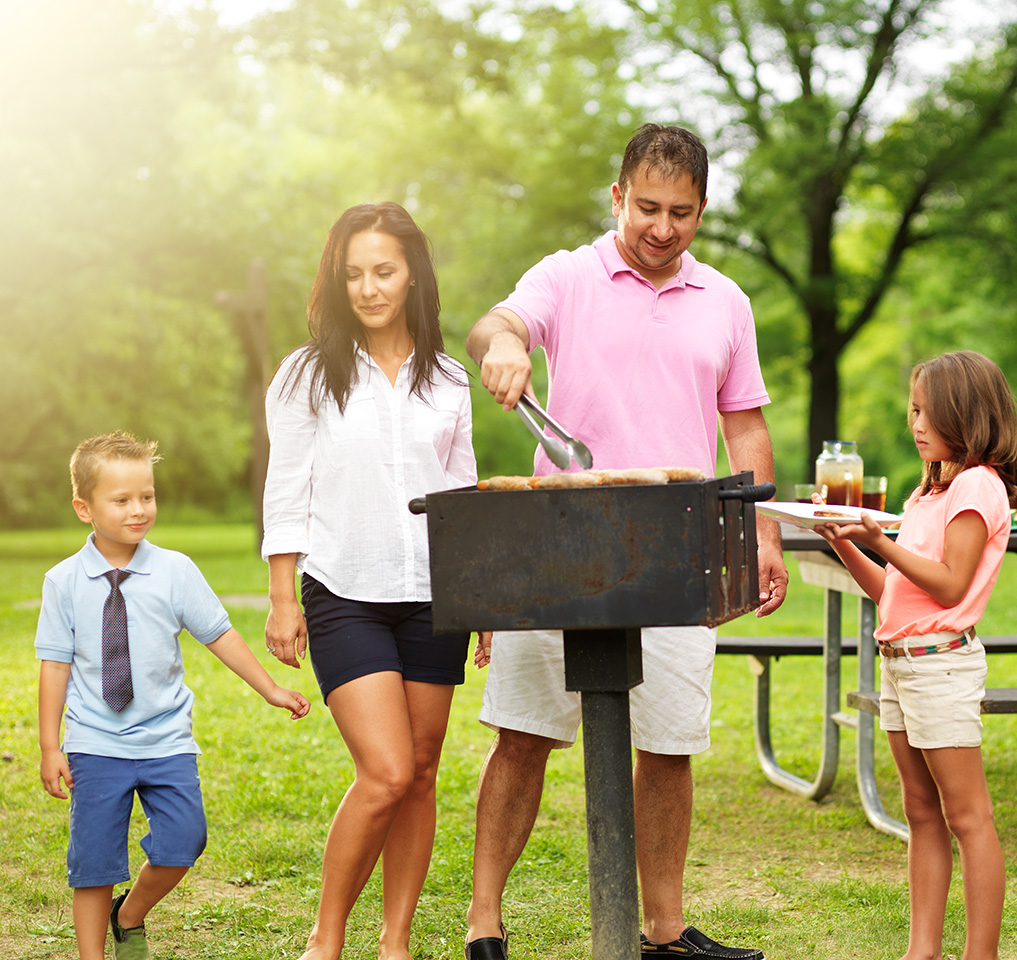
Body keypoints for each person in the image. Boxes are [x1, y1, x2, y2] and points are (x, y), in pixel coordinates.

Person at [463, 123, 788, 960]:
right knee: (525, 732)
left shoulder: (726, 302)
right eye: (647, 207)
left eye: (681, 213)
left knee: (669, 741)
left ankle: (664, 931)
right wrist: (504, 349)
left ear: (702, 211)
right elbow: (496, 325)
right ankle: (484, 920)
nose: (661, 227)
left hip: (680, 543)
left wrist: (762, 530)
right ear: (617, 197)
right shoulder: (567, 276)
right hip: (561, 538)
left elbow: (744, 426)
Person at [261, 201, 484, 960]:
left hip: (432, 595)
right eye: (353, 273)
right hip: (343, 589)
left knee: (421, 774)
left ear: (412, 273)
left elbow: (462, 499)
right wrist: (282, 597)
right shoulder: (305, 374)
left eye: (383, 271)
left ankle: (396, 944)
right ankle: (326, 941)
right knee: (385, 771)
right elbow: (286, 490)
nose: (368, 287)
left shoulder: (449, 378)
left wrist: (478, 593)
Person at [36, 431, 310, 960]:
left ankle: (130, 913)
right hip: (96, 742)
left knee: (184, 842)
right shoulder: (62, 582)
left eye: (147, 496)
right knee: (94, 861)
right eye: (121, 500)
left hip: (167, 741)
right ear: (83, 508)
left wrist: (271, 689)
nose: (139, 510)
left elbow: (221, 636)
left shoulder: (175, 571)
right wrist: (52, 746)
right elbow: (54, 666)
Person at [812, 350, 1017, 960]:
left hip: (941, 665)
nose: (915, 423)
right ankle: (920, 951)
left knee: (968, 818)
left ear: (966, 413)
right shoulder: (929, 492)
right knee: (921, 812)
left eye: (927, 411)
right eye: (912, 410)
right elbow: (893, 594)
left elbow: (952, 585)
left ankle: (977, 955)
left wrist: (880, 538)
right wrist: (846, 546)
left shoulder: (978, 486)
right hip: (901, 662)